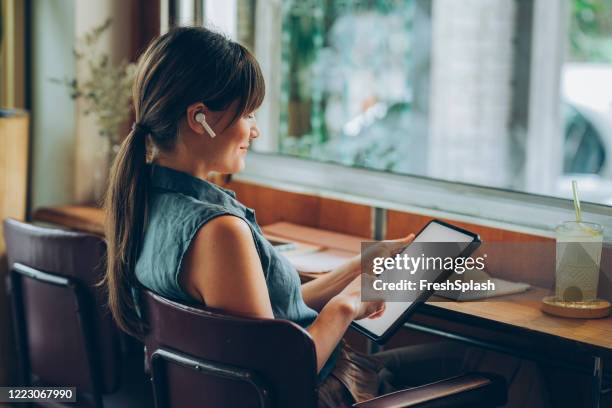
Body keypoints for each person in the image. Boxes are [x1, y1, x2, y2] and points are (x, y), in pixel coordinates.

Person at [103, 27, 549, 407]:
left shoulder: (147, 204)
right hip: (327, 390)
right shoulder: (219, 232)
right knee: (504, 363)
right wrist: (348, 302)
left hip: (300, 381)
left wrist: (361, 267)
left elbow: (272, 320)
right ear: (200, 118)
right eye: (249, 112)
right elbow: (278, 375)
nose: (255, 130)